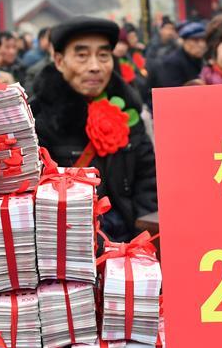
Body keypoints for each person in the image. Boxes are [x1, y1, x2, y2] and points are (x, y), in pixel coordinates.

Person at [29, 16, 157, 242]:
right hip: (73, 241)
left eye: (103, 55)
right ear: (59, 61)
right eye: (82, 55)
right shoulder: (37, 120)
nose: (95, 67)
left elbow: (148, 179)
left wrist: (142, 237)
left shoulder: (128, 110)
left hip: (129, 235)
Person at [152, 21, 207, 88]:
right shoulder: (172, 63)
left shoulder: (202, 60)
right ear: (184, 41)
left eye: (203, 40)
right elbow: (172, 91)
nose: (202, 45)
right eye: (196, 40)